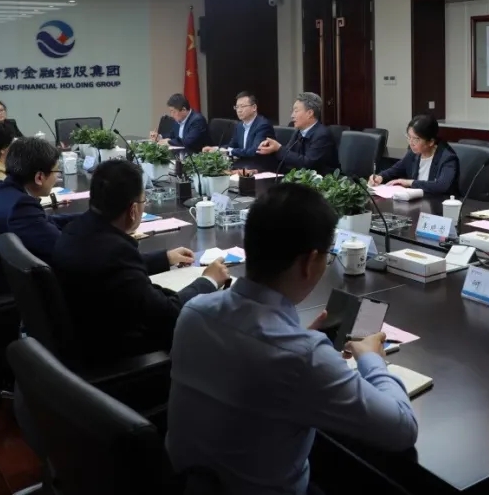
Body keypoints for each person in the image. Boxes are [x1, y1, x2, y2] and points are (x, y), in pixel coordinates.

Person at [166, 183, 418, 494]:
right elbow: (402, 429)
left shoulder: (194, 312)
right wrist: (372, 359)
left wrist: (303, 344)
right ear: (309, 262)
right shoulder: (302, 357)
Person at [53, 159, 230, 364]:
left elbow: (111, 269)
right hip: (118, 358)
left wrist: (164, 258)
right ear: (133, 210)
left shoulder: (75, 229)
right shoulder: (116, 252)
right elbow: (168, 315)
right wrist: (208, 281)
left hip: (81, 341)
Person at [0, 137, 77, 298]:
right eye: (57, 172)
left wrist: (89, 218)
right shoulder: (20, 207)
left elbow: (45, 222)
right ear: (39, 177)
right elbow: (62, 250)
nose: (57, 179)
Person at [369, 114, 459, 197]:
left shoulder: (447, 158)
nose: (411, 143)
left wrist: (410, 183)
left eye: (416, 139)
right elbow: (394, 170)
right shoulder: (413, 153)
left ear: (431, 142)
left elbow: (441, 186)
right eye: (409, 137)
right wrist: (380, 177)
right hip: (417, 202)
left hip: (438, 204)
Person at [255, 92, 340, 175]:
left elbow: (308, 164)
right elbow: (287, 158)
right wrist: (271, 150)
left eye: (296, 111)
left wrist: (279, 149)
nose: (292, 115)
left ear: (310, 113)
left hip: (323, 181)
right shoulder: (298, 132)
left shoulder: (322, 135)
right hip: (300, 179)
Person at [205, 91, 276, 170]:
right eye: (237, 107)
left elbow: (255, 151)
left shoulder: (263, 125)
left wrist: (229, 152)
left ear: (254, 107)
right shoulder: (239, 126)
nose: (239, 110)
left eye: (242, 106)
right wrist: (216, 149)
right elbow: (232, 146)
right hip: (243, 165)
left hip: (260, 167)